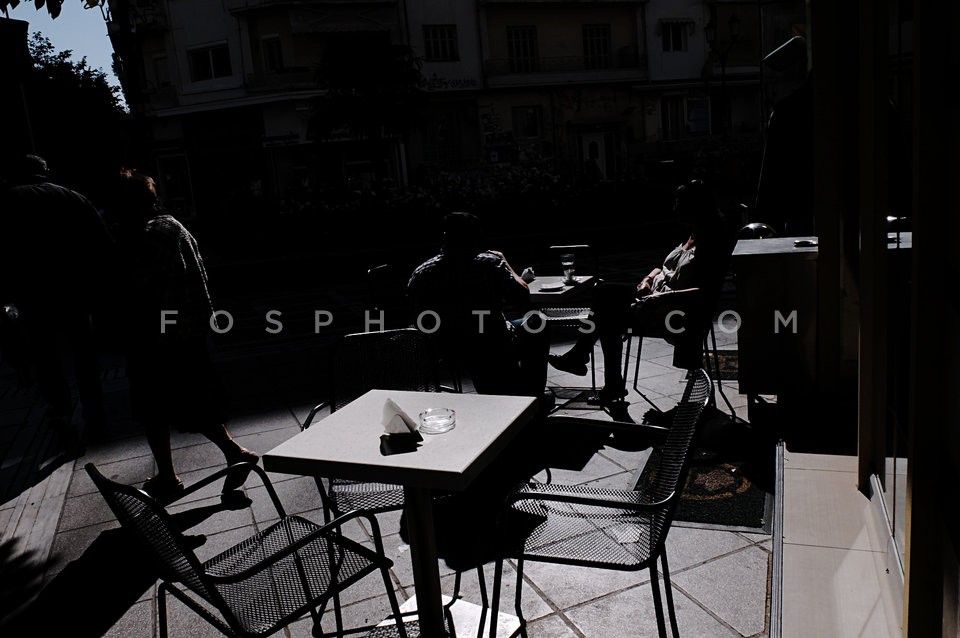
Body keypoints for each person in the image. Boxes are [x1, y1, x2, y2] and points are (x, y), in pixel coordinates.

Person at [108, 169, 257, 503]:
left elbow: (137, 286)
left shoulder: (146, 235)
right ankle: (233, 453)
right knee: (193, 402)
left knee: (153, 407)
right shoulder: (173, 226)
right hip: (186, 333)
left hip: (158, 336)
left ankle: (169, 476)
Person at [549, 179, 733, 404]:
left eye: (680, 202)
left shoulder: (712, 241)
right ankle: (585, 362)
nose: (675, 206)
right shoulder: (692, 234)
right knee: (604, 293)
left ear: (695, 206)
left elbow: (706, 290)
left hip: (674, 309)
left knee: (607, 316)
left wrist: (661, 297)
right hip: (654, 295)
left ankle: (594, 370)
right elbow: (665, 267)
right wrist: (646, 280)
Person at [0, 154, 111, 448]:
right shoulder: (73, 198)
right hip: (76, 293)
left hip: (33, 296)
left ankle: (63, 417)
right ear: (45, 172)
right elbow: (103, 245)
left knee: (47, 360)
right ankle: (96, 419)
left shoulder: (8, 201)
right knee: (85, 359)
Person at [406, 211, 550, 402]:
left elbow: (417, 315)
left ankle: (509, 388)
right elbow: (522, 294)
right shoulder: (489, 263)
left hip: (446, 348)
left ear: (445, 237)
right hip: (493, 341)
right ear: (476, 237)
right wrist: (505, 262)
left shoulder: (422, 272)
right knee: (538, 323)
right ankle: (533, 396)